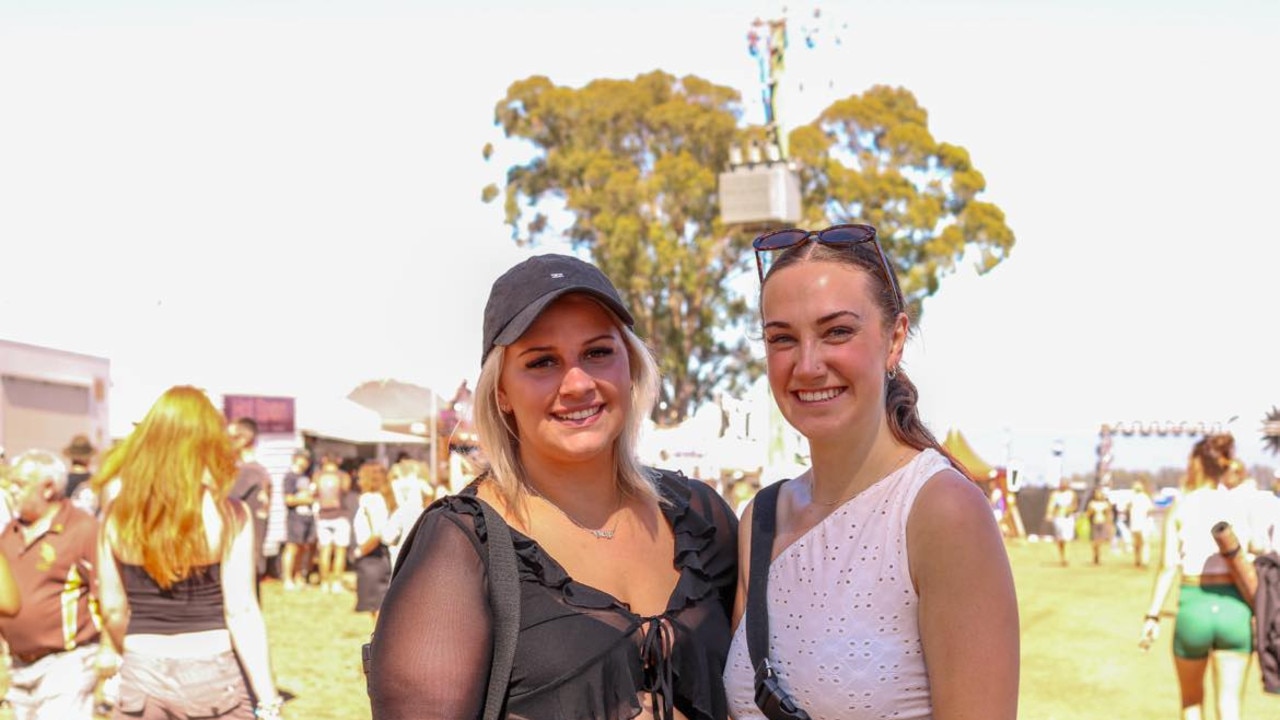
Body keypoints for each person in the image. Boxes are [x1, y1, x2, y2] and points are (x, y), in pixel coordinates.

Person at [369, 253, 739, 719]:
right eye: (542, 362)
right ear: (501, 391)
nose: (578, 383)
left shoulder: (701, 517)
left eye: (598, 352)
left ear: (631, 365)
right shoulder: (460, 545)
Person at [722, 224, 1019, 719]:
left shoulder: (941, 512)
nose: (808, 364)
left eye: (837, 331)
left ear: (895, 339)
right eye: (782, 339)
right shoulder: (762, 519)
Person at [95, 385, 283, 720]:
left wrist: (136, 657)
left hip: (141, 668)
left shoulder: (116, 516)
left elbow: (111, 608)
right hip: (212, 672)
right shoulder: (230, 515)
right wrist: (268, 701)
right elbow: (241, 612)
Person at [1139, 433, 1259, 720]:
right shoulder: (1240, 505)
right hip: (1235, 609)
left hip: (1193, 607)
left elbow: (1168, 566)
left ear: (1197, 463)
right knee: (1230, 707)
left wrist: (1152, 616)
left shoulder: (1182, 506)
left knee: (1191, 702)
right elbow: (1252, 557)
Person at [0, 449, 105, 720]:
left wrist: (109, 650)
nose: (11, 490)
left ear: (47, 488)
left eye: (20, 484)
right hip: (19, 663)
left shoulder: (82, 529)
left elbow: (106, 594)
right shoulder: (9, 532)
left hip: (67, 661)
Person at [228, 417, 271, 591]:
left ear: (242, 439)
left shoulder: (245, 472)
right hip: (253, 552)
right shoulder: (260, 471)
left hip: (241, 554)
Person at [350, 460, 394, 620]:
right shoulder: (376, 498)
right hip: (372, 556)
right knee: (375, 606)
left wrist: (359, 552)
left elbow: (377, 533)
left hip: (372, 557)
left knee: (378, 607)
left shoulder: (371, 500)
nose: (358, 481)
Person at [313, 458, 352, 593]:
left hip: (323, 516)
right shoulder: (343, 476)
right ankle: (336, 583)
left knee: (325, 550)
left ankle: (324, 582)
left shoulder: (318, 475)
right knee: (340, 552)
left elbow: (314, 492)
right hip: (340, 515)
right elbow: (346, 489)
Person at [280, 449, 316, 590]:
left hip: (308, 516)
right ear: (295, 459)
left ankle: (299, 577)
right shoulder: (290, 477)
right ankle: (287, 578)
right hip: (295, 517)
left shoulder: (306, 476)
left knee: (303, 548)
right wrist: (305, 499)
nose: (305, 463)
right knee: (292, 547)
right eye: (302, 459)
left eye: (307, 460)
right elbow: (288, 499)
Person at [1045, 477, 1078, 566]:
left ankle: (1066, 558)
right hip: (1058, 518)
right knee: (1060, 539)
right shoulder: (1055, 494)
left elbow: (1075, 505)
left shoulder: (1071, 494)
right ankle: (1062, 556)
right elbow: (1051, 505)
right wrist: (1049, 514)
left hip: (1068, 518)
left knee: (1067, 538)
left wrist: (1070, 510)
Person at [1128, 479, 1156, 568]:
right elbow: (1151, 510)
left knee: (1138, 545)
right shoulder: (1143, 497)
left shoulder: (1135, 498)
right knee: (1143, 544)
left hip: (1137, 525)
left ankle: (1139, 560)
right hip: (1142, 525)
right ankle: (1143, 561)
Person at [1086, 485, 1114, 565]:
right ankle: (1095, 556)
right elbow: (1088, 514)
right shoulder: (1091, 503)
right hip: (1095, 523)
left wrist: (1109, 524)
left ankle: (1098, 556)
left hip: (1103, 523)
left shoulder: (1106, 504)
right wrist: (1091, 512)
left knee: (1100, 541)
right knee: (1094, 542)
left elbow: (1109, 514)